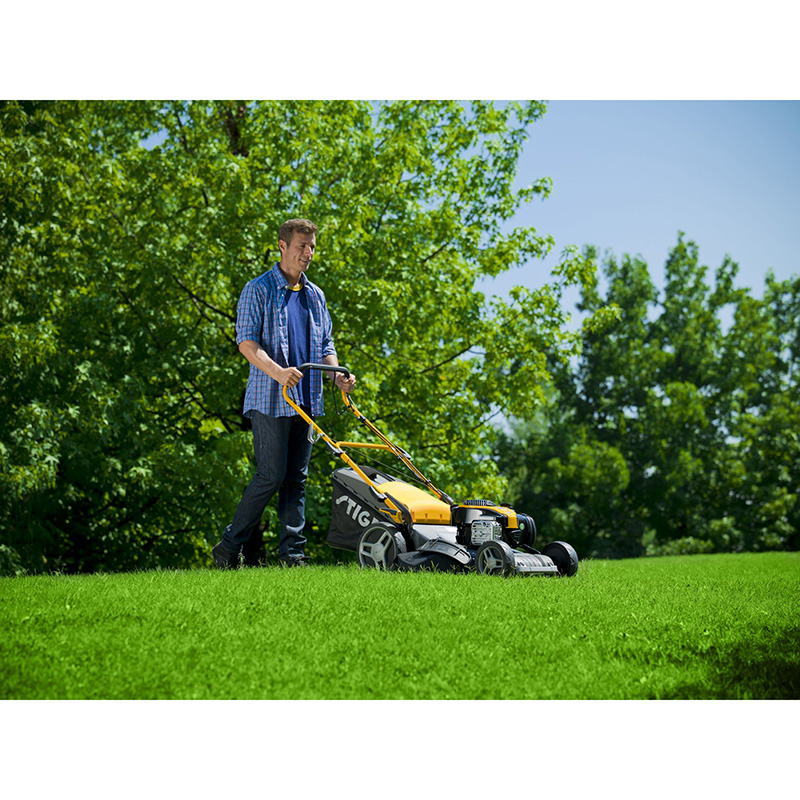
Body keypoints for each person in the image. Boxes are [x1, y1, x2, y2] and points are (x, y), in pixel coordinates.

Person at [212, 218, 356, 569]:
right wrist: (278, 373)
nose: (308, 253)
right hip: (270, 399)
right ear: (282, 246)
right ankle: (228, 548)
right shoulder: (258, 289)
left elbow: (325, 344)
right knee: (270, 476)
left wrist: (337, 374)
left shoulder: (315, 295)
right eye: (301, 246)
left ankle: (293, 555)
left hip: (307, 400)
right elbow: (246, 342)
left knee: (296, 480)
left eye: (312, 247)